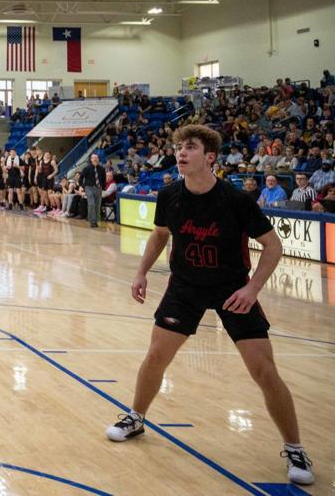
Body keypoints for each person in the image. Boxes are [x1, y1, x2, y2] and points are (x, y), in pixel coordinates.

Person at [105, 125, 315, 486]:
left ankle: (294, 447)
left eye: (190, 147)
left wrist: (252, 288)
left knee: (264, 371)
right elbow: (159, 234)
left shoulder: (236, 200)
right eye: (178, 147)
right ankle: (136, 418)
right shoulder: (169, 194)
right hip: (185, 287)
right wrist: (141, 273)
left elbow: (273, 246)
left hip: (232, 288)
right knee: (155, 357)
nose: (180, 153)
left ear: (211, 157)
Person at [78, 152, 107, 227]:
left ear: (98, 159)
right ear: (91, 159)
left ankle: (96, 220)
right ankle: (92, 221)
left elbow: (104, 179)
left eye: (96, 158)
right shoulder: (86, 168)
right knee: (91, 204)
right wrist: (81, 186)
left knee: (97, 205)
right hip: (89, 188)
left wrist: (103, 188)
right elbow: (81, 178)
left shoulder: (102, 169)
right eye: (93, 158)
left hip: (98, 188)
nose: (95, 159)